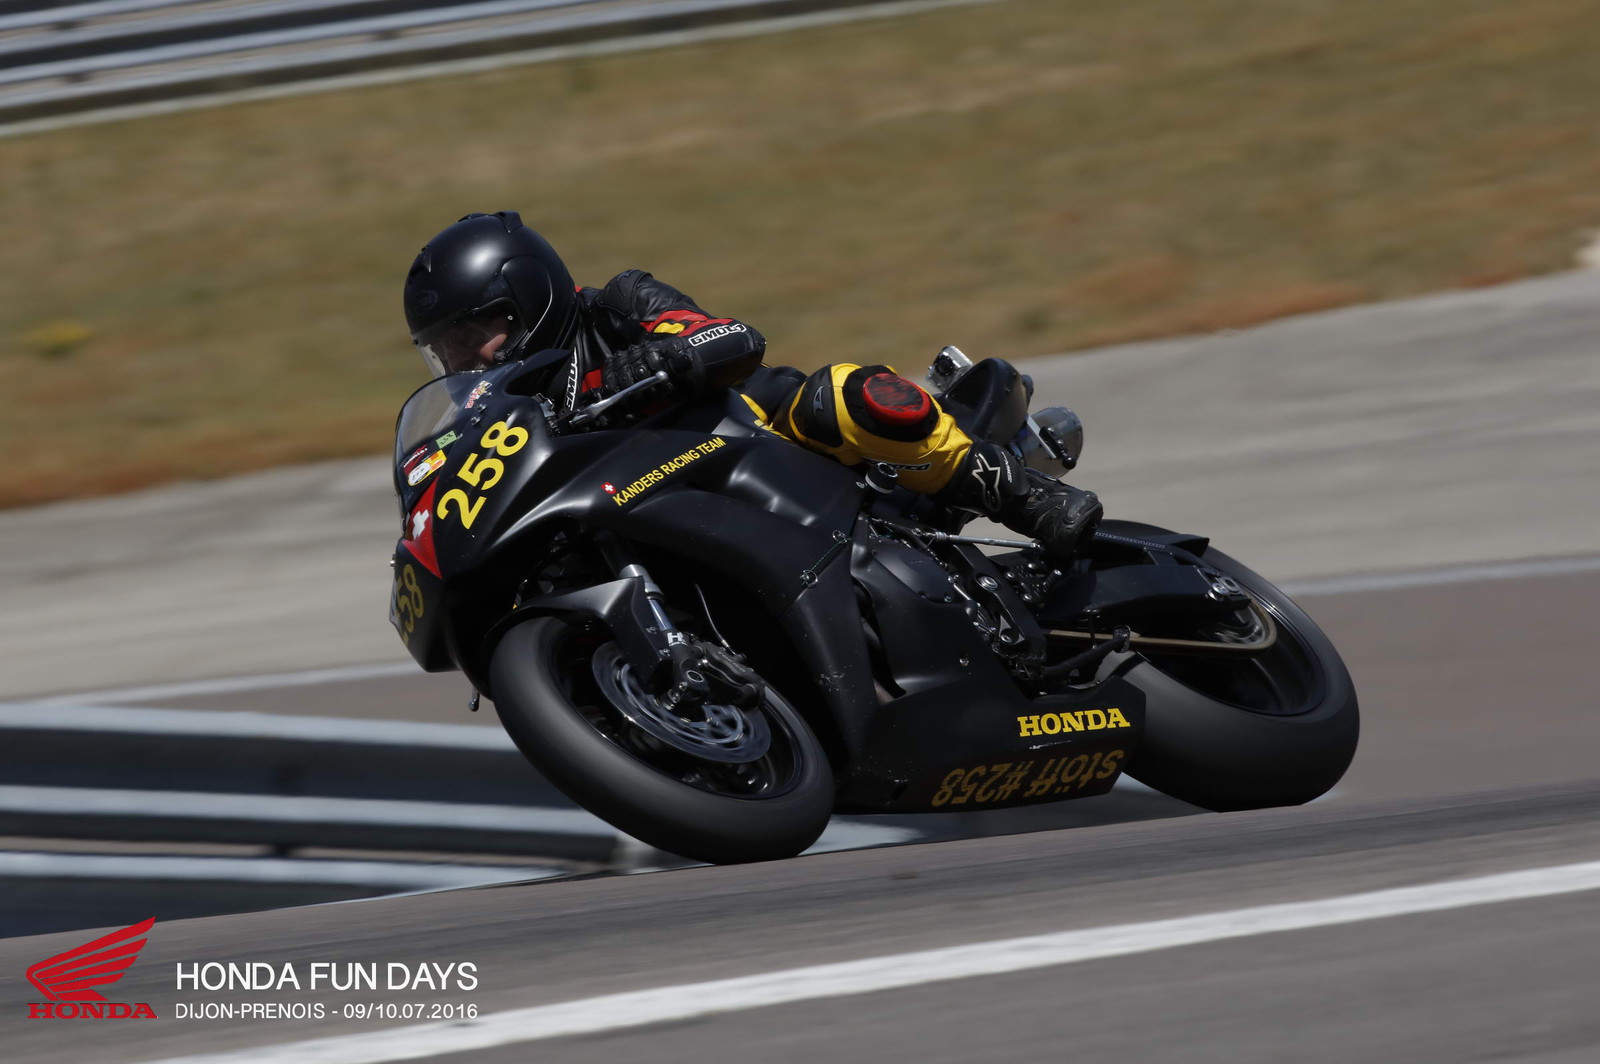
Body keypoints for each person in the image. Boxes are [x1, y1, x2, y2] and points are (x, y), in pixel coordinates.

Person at [402, 211, 1101, 559]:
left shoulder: (616, 304)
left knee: (846, 395)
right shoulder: (509, 412)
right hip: (668, 516)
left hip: (766, 446)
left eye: (471, 335)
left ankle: (1025, 496)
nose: (464, 361)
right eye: (446, 351)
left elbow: (731, 337)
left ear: (526, 301)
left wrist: (662, 360)